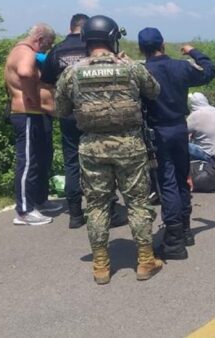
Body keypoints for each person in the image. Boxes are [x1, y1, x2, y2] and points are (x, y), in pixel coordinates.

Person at [54, 15, 163, 284]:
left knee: (97, 205)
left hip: (92, 148)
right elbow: (154, 91)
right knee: (137, 202)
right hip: (130, 146)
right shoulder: (130, 67)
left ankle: (101, 267)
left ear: (85, 40)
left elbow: (62, 110)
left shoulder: (72, 72)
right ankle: (145, 261)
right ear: (113, 39)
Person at [41, 13, 127, 229]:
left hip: (68, 115)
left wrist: (60, 107)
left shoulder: (57, 51)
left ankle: (75, 214)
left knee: (72, 162)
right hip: (97, 114)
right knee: (102, 160)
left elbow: (48, 84)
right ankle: (109, 209)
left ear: (70, 27)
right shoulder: (94, 47)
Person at [138, 27, 215, 258]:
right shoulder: (181, 67)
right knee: (182, 178)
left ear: (142, 50)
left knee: (167, 181)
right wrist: (194, 52)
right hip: (180, 128)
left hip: (157, 131)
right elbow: (209, 71)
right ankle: (186, 229)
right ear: (162, 45)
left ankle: (173, 241)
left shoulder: (143, 72)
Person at [4, 23, 61, 226]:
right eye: (48, 44)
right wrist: (33, 98)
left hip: (35, 114)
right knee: (27, 162)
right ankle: (24, 211)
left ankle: (38, 201)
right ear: (39, 38)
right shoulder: (25, 51)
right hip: (25, 113)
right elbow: (25, 73)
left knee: (40, 160)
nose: (47, 48)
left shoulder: (25, 51)